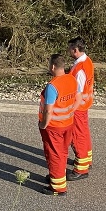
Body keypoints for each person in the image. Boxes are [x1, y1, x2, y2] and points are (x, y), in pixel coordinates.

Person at [38, 53, 77, 195]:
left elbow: (48, 110)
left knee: (54, 155)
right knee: (62, 152)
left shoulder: (52, 86)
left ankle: (58, 187)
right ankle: (57, 177)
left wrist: (43, 124)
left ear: (53, 67)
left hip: (54, 126)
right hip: (68, 123)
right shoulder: (71, 79)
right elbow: (76, 98)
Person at [67, 36, 94, 179]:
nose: (68, 51)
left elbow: (77, 91)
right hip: (85, 104)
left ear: (75, 49)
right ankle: (86, 160)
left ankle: (81, 170)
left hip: (78, 107)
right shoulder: (87, 61)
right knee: (84, 133)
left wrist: (71, 109)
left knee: (78, 136)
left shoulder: (80, 69)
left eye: (70, 49)